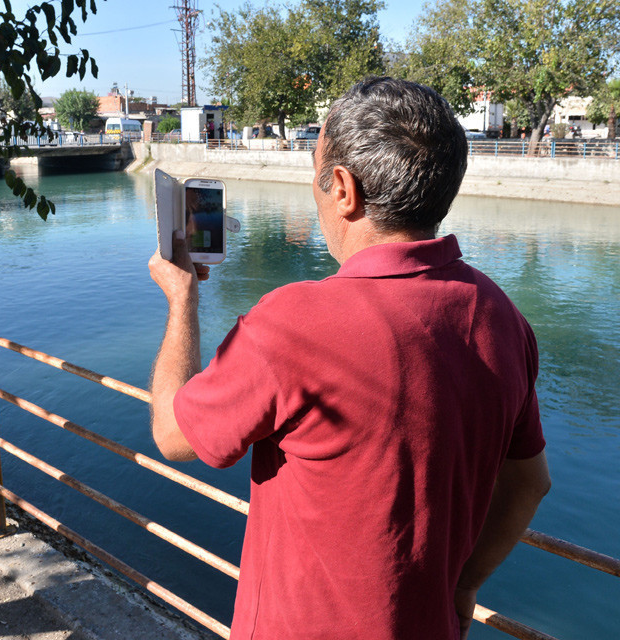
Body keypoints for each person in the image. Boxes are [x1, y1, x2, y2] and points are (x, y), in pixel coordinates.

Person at [148, 77, 550, 640]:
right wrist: (464, 585)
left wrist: (182, 298)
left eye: (314, 176)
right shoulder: (503, 319)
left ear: (342, 188)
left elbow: (173, 434)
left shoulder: (291, 325)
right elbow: (530, 484)